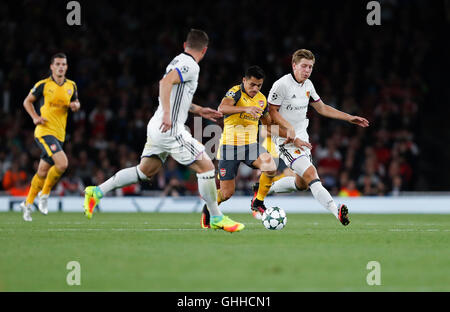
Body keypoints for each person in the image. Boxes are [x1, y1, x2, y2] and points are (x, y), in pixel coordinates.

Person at [83, 29, 244, 233]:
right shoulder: (191, 66)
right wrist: (168, 114)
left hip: (157, 126)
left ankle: (97, 191)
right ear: (205, 50)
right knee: (207, 167)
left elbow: (177, 94)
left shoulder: (177, 60)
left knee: (143, 171)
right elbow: (165, 83)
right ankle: (215, 217)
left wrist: (198, 110)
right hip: (170, 128)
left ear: (185, 46)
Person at [262, 49, 369, 226]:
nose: (307, 70)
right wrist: (289, 131)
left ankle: (263, 189)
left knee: (302, 183)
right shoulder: (282, 85)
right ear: (294, 65)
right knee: (312, 174)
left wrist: (349, 118)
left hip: (303, 138)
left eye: (310, 67)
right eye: (304, 66)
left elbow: (322, 108)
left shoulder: (308, 85)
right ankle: (337, 210)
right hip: (285, 140)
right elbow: (271, 112)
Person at [200, 65, 278, 228]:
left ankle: (258, 201)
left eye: (259, 85)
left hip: (250, 146)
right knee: (227, 193)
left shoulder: (262, 100)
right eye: (252, 84)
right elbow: (222, 108)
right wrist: (246, 108)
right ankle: (208, 209)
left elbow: (267, 122)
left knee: (270, 166)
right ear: (244, 81)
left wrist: (273, 124)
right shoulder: (235, 92)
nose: (255, 89)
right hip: (230, 148)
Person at [21, 53, 80, 221]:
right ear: (52, 67)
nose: (61, 67)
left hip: (60, 134)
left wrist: (76, 105)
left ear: (66, 67)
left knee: (42, 171)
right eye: (58, 64)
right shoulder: (43, 85)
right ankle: (45, 195)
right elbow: (27, 101)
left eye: (64, 64)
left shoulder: (71, 85)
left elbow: (76, 102)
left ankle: (27, 204)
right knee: (62, 164)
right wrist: (35, 117)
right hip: (44, 131)